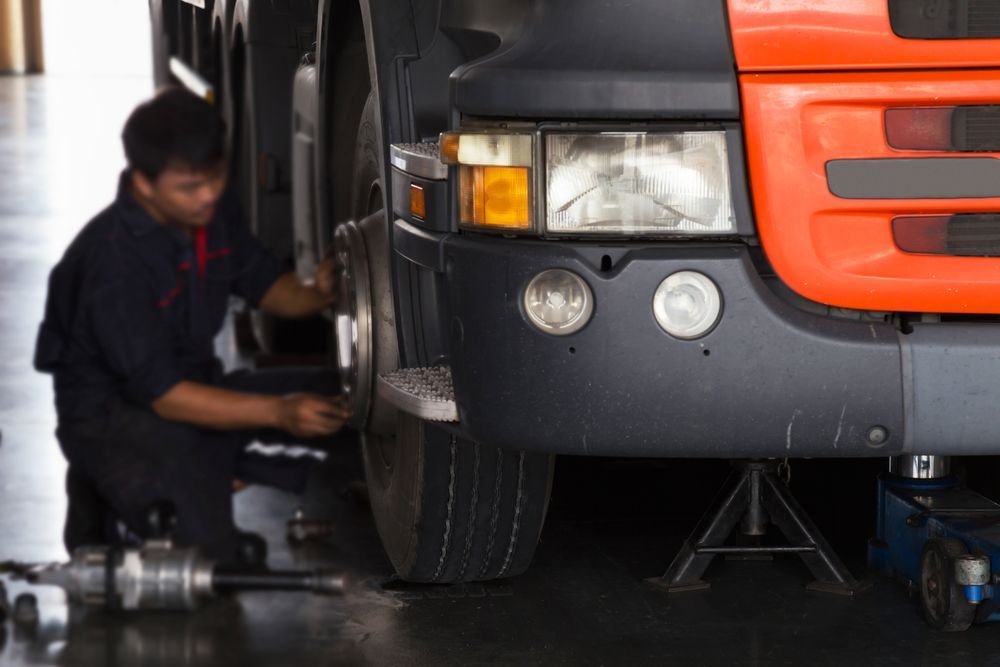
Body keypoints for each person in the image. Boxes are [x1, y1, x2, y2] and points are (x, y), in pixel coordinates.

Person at [34, 87, 350, 564]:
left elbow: (265, 284)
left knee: (342, 399)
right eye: (188, 186)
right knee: (209, 559)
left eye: (215, 177)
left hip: (194, 387)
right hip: (113, 419)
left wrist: (317, 292)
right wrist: (278, 412)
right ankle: (102, 492)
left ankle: (210, 460)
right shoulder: (112, 264)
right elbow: (164, 395)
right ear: (143, 181)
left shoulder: (211, 213)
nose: (208, 195)